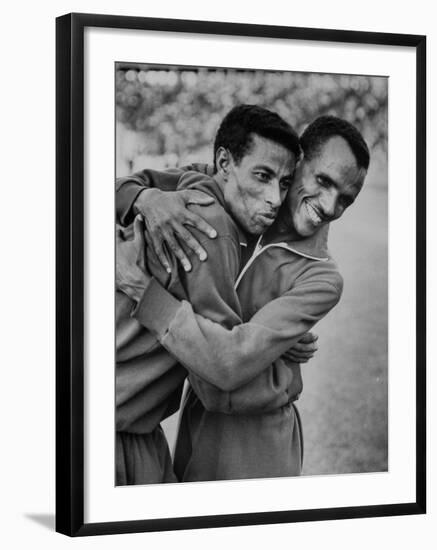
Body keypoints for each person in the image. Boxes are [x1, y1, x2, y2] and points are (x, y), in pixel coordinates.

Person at [116, 110, 370, 481]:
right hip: (197, 419)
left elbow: (227, 366)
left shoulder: (322, 277)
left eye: (346, 199)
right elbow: (118, 186)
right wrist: (147, 198)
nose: (330, 207)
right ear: (297, 163)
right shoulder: (229, 192)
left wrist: (143, 291)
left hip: (258, 438)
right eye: (323, 181)